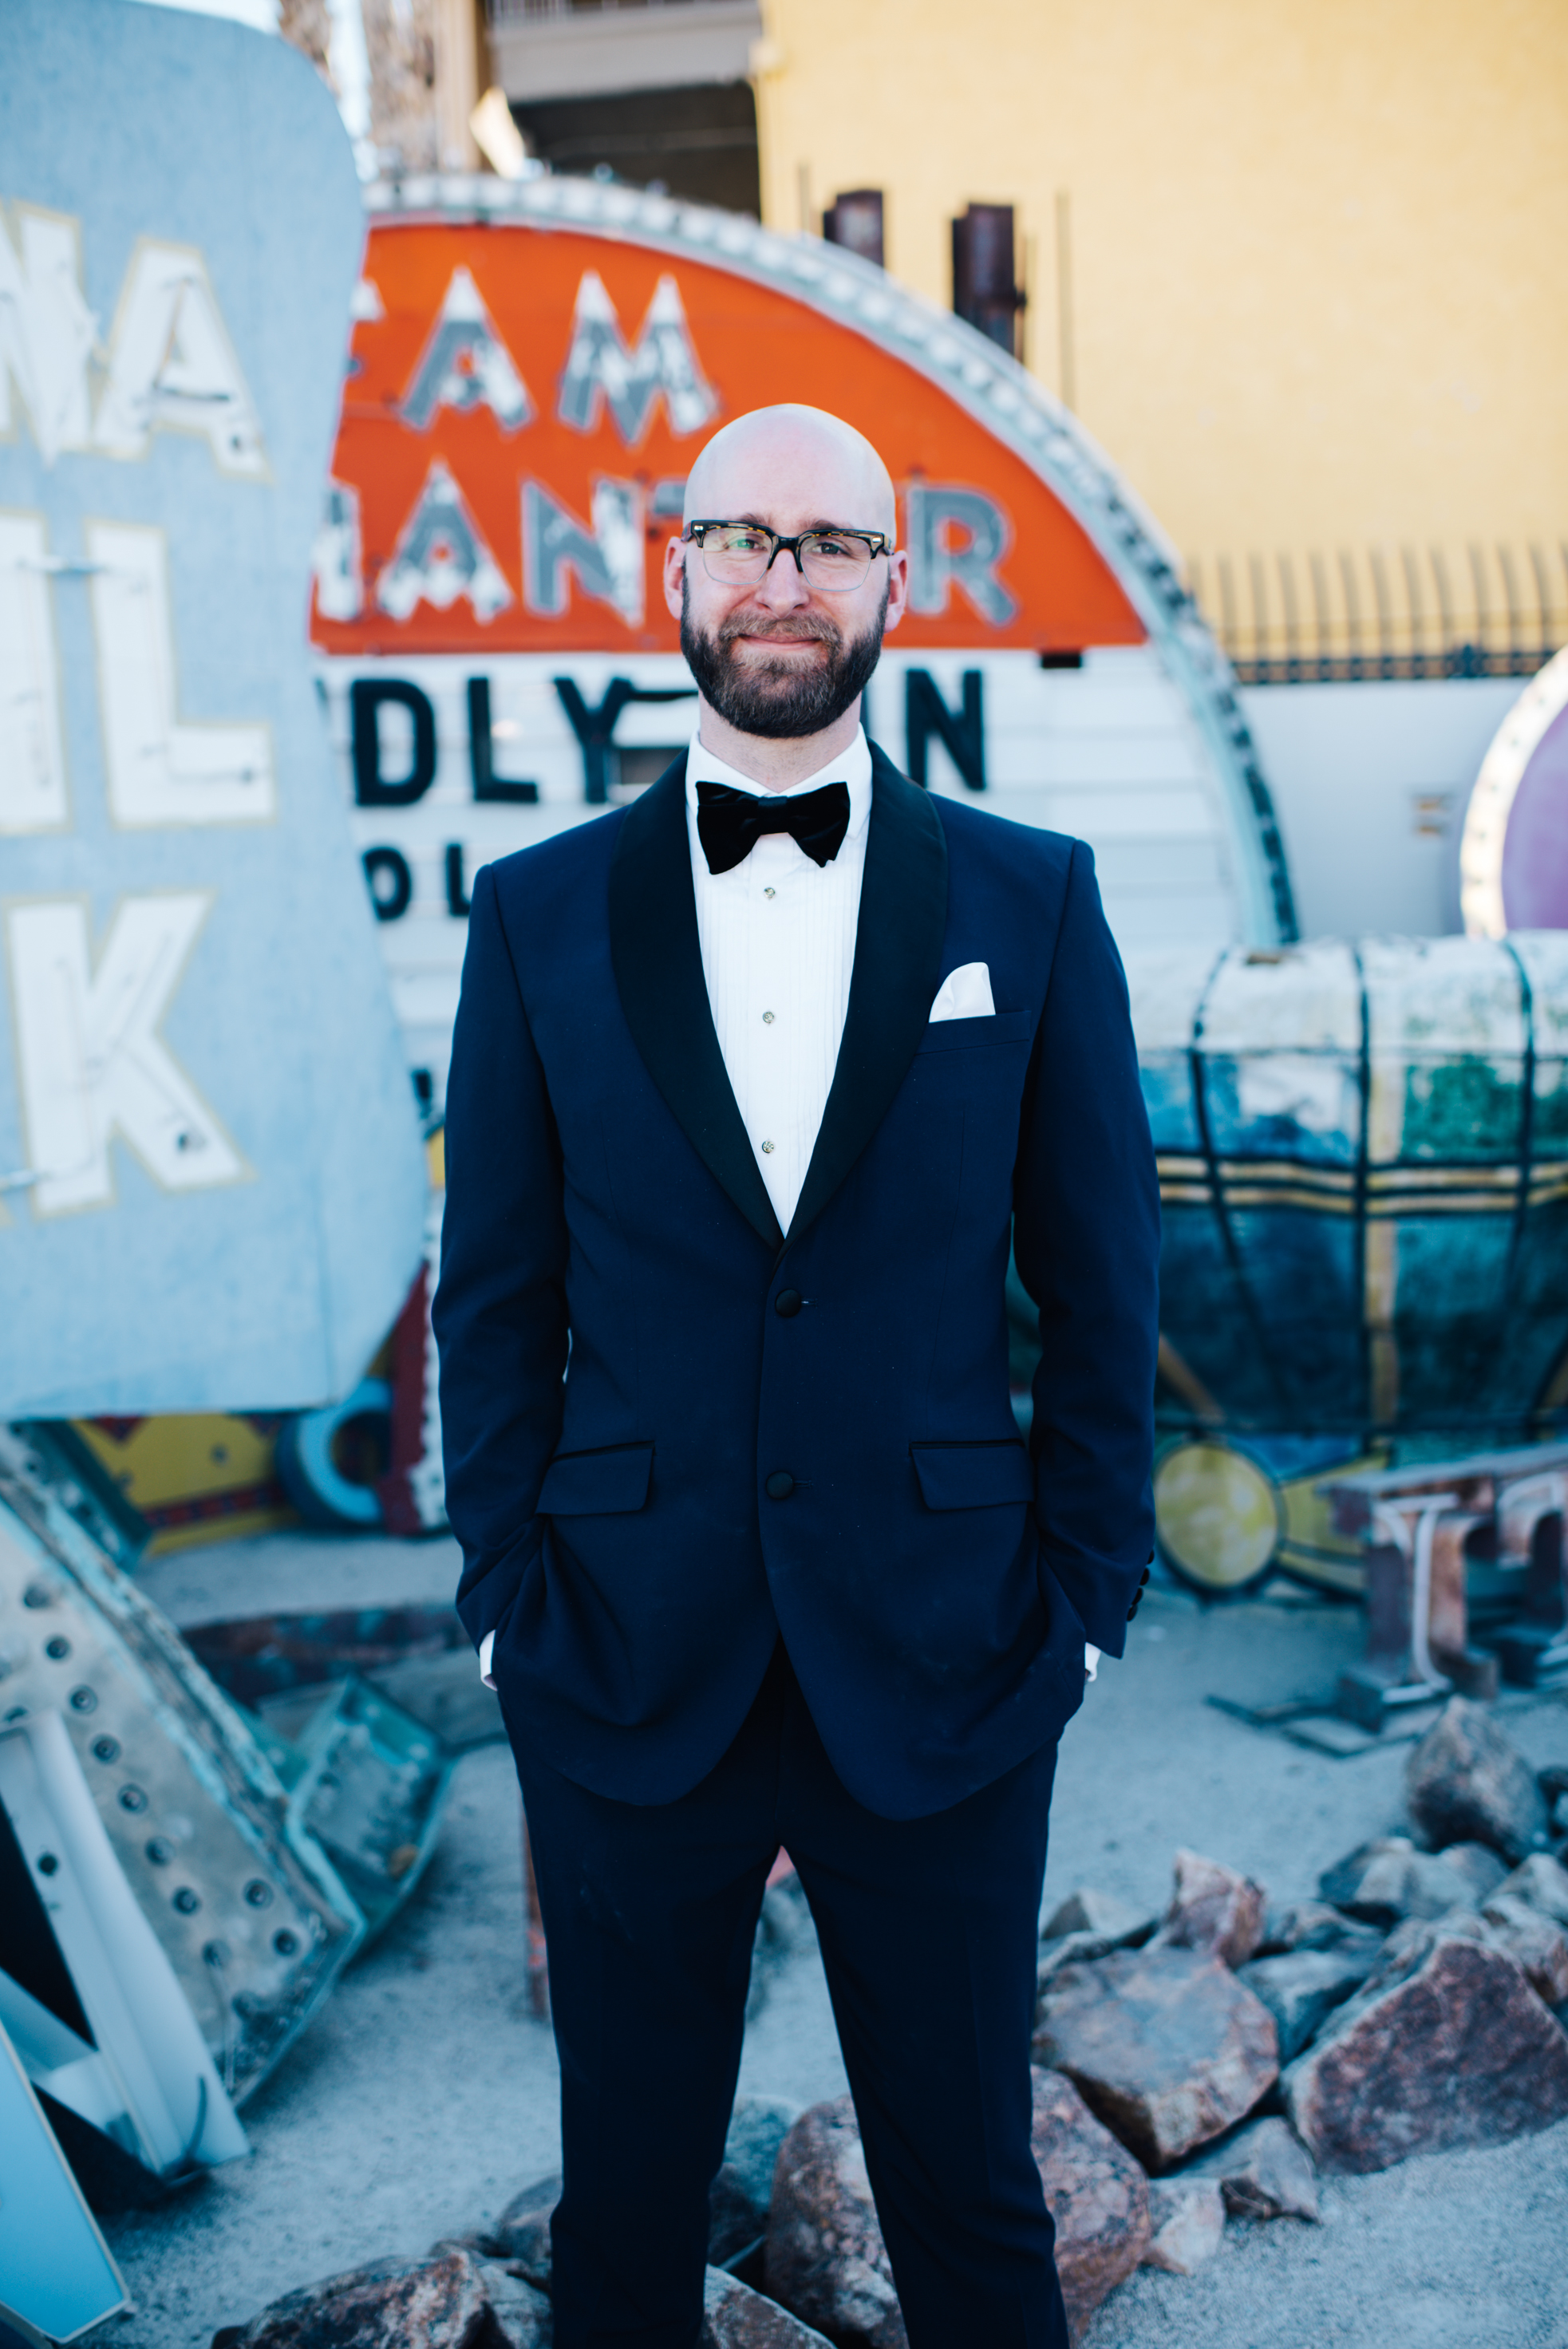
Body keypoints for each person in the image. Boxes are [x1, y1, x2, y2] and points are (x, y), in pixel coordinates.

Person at [434, 403, 1159, 2349]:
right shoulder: (533, 916)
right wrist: (502, 1598)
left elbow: (1103, 1287)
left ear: (893, 585)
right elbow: (489, 1294)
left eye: (829, 542)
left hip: (946, 1650)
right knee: (628, 2192)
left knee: (965, 2188)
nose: (781, 576)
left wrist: (1082, 1607)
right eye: (741, 536)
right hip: (615, 1644)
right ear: (670, 569)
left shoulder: (1033, 898)